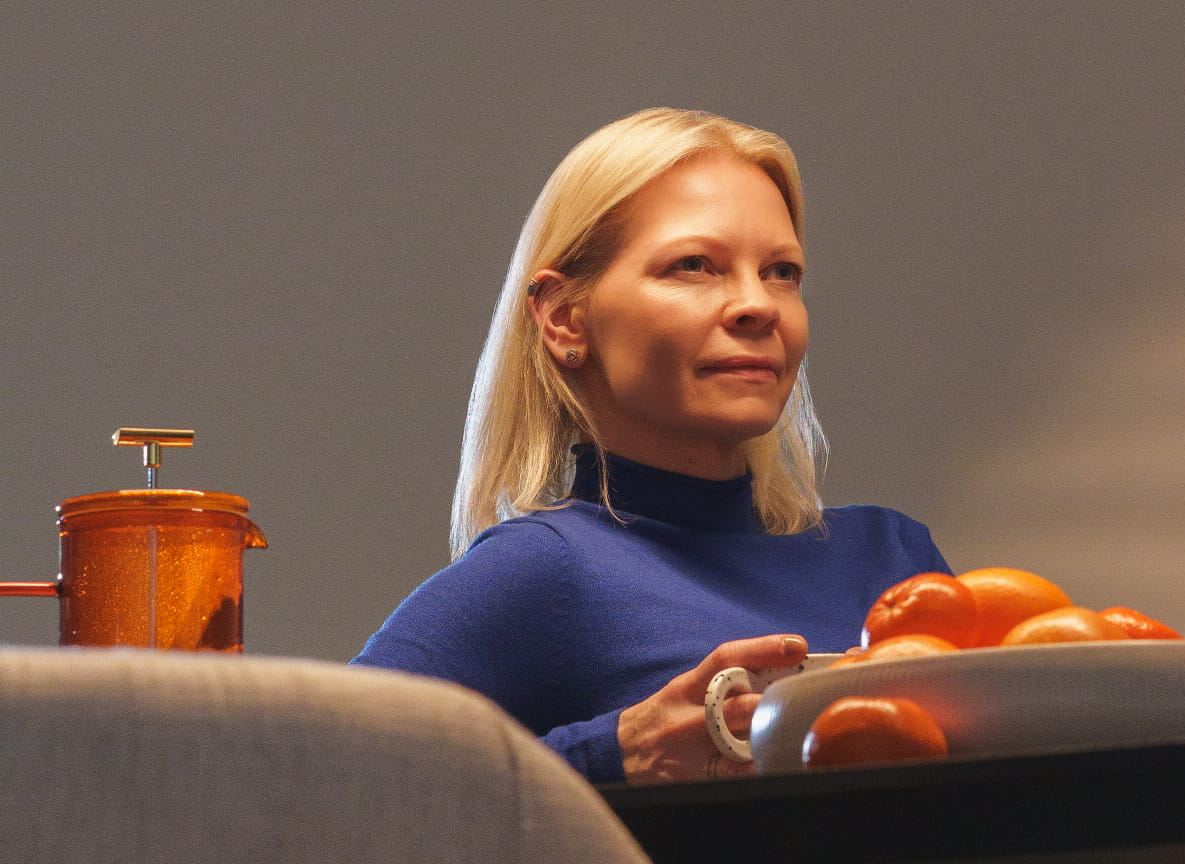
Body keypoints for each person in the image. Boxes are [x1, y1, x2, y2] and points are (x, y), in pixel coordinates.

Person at [354, 107, 948, 785]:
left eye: (782, 272)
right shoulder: (543, 571)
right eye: (693, 265)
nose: (758, 305)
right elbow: (320, 782)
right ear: (564, 319)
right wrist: (615, 755)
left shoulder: (896, 561)